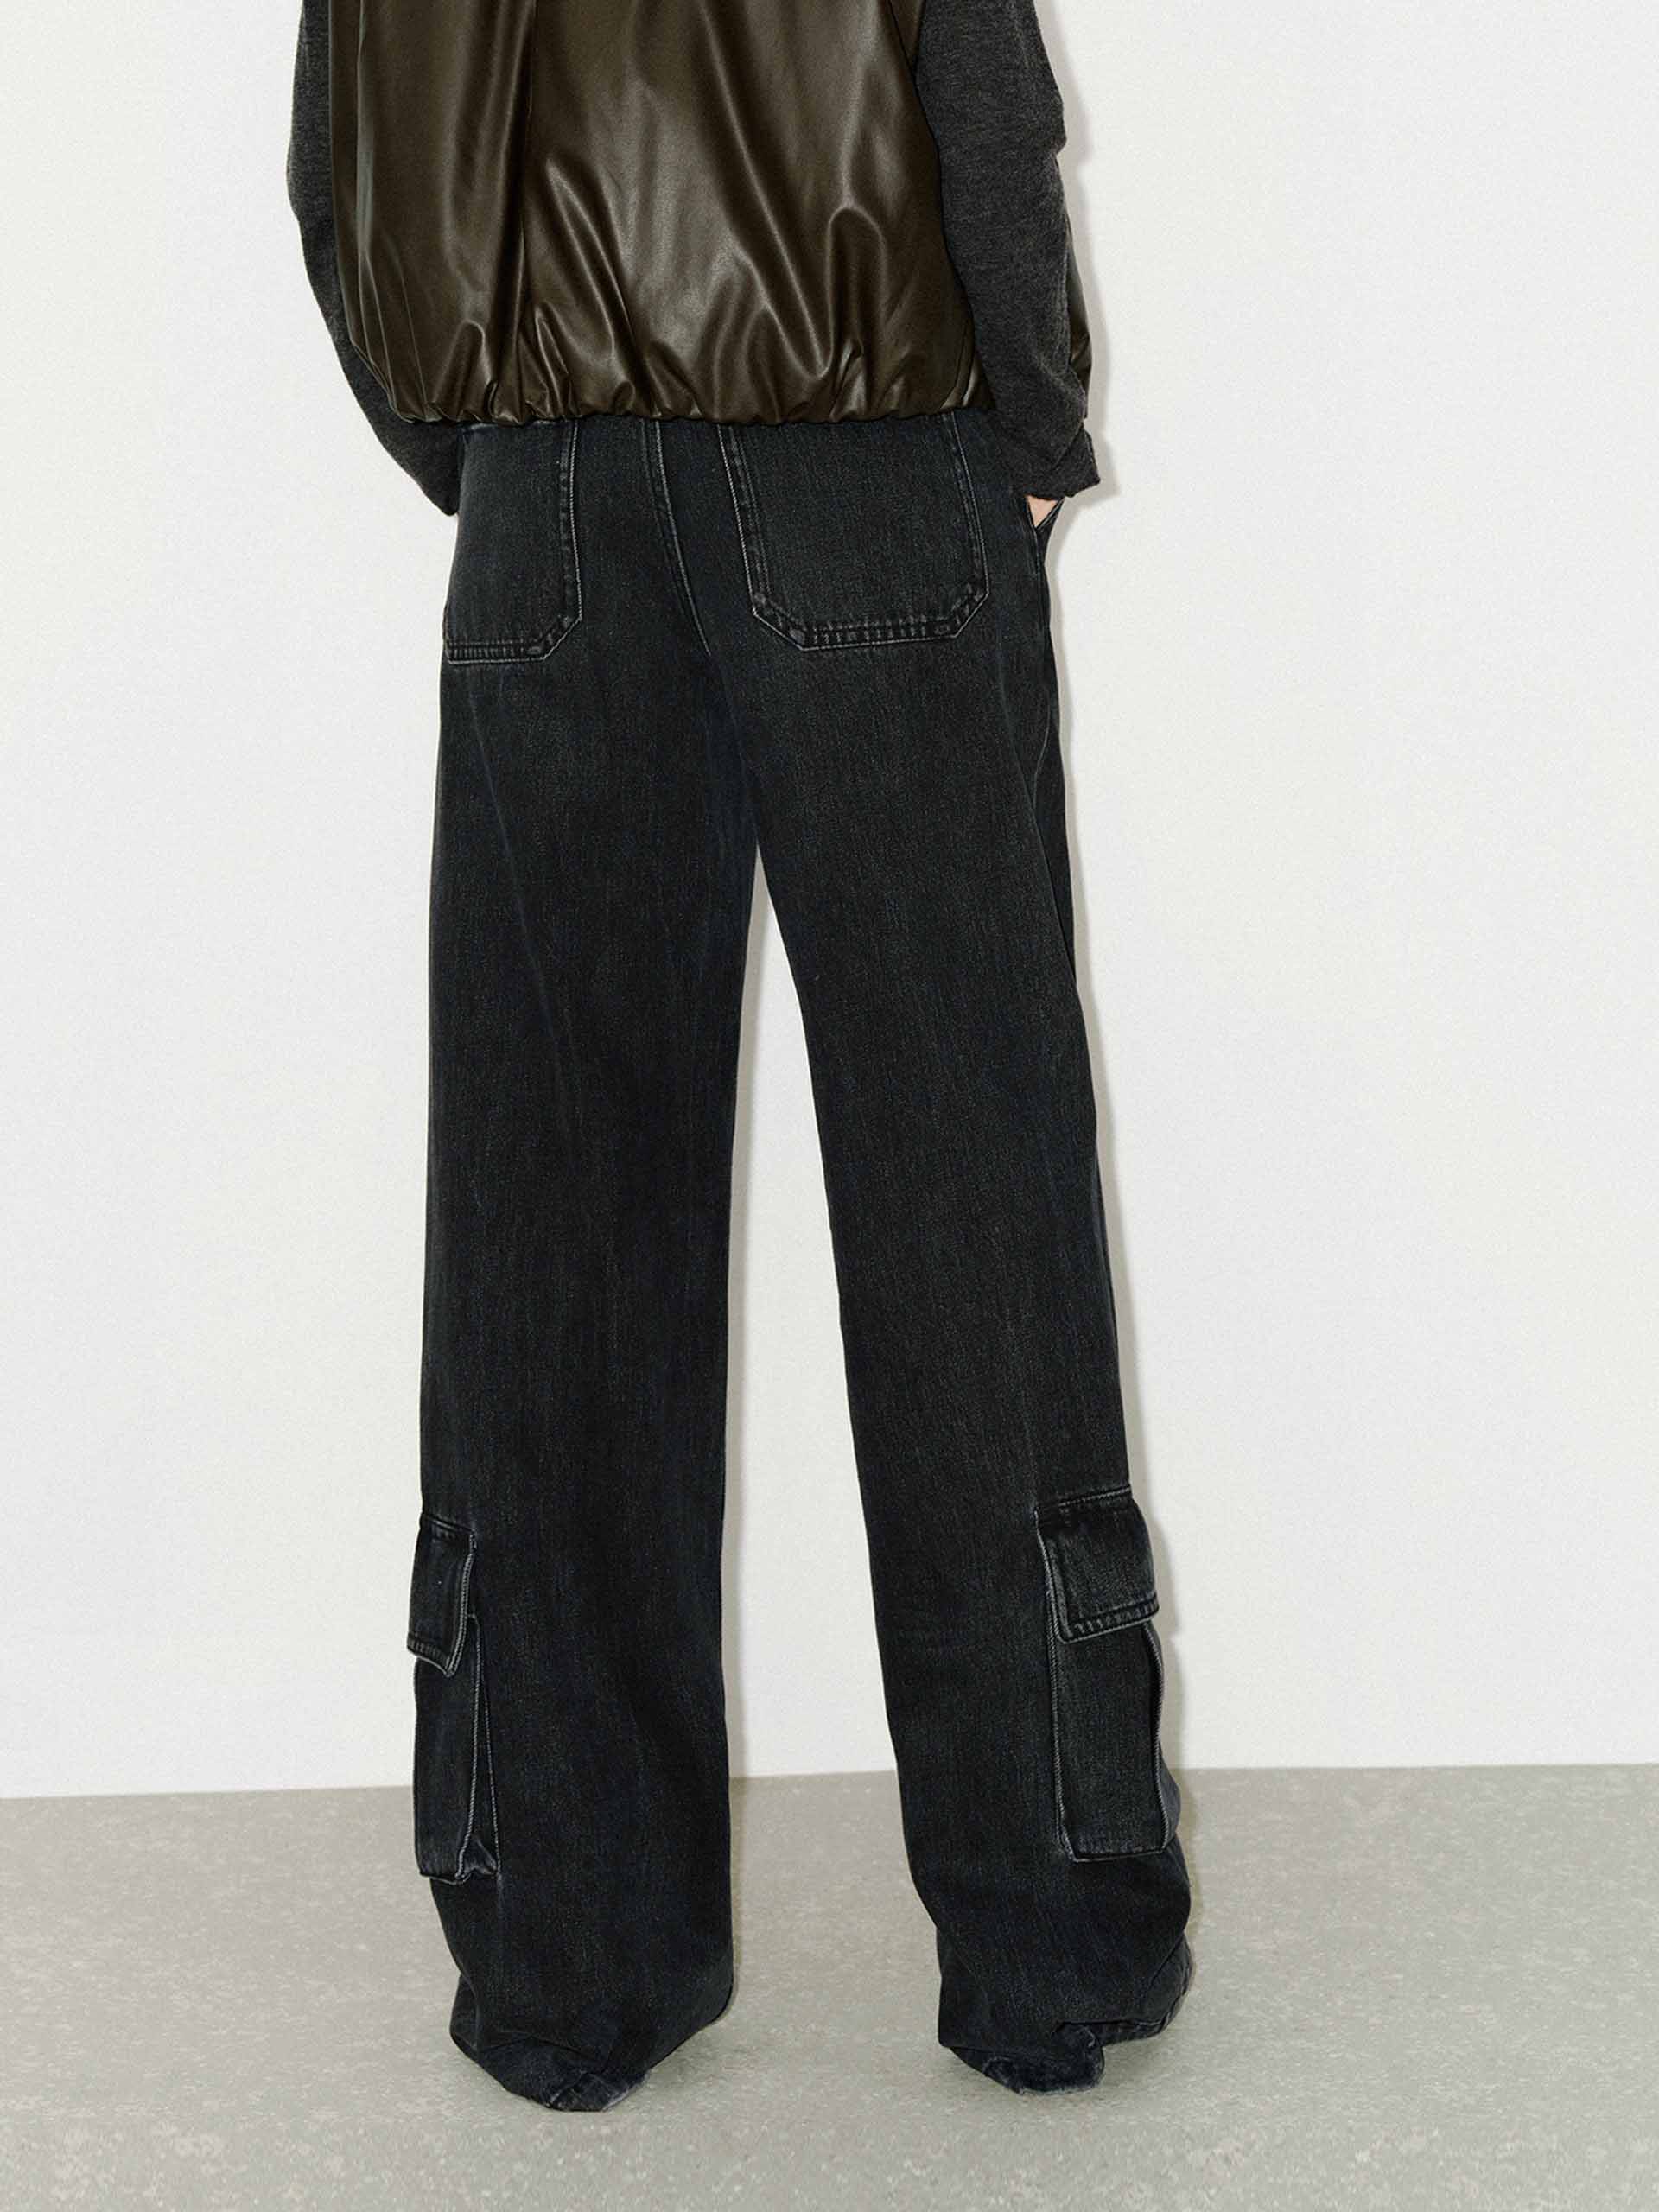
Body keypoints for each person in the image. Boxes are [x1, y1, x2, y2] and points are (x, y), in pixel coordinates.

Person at [287, 0, 1192, 2109]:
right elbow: (977, 87)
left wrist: (501, 446)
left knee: (549, 1232)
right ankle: (1050, 1938)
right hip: (869, 459)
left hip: (546, 490)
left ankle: (564, 1958)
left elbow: (338, 169)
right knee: (968, 1191)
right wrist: (1032, 423)